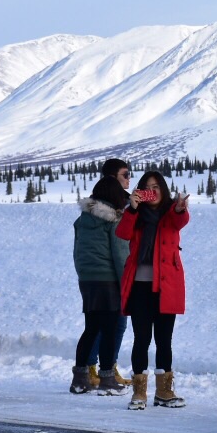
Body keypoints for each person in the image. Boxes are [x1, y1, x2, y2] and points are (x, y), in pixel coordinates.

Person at [116, 169, 189, 410]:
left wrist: (180, 208)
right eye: (148, 187)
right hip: (140, 286)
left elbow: (180, 220)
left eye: (157, 186)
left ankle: (164, 392)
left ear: (164, 190)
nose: (153, 191)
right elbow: (122, 233)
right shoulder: (136, 215)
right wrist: (133, 209)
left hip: (166, 286)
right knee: (141, 339)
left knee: (164, 340)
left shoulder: (171, 213)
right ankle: (139, 393)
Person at [71, 158, 131, 394]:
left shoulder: (83, 219)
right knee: (110, 328)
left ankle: (79, 378)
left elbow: (78, 250)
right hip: (108, 280)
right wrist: (126, 282)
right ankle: (107, 378)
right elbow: (120, 253)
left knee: (91, 328)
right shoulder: (114, 219)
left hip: (88, 279)